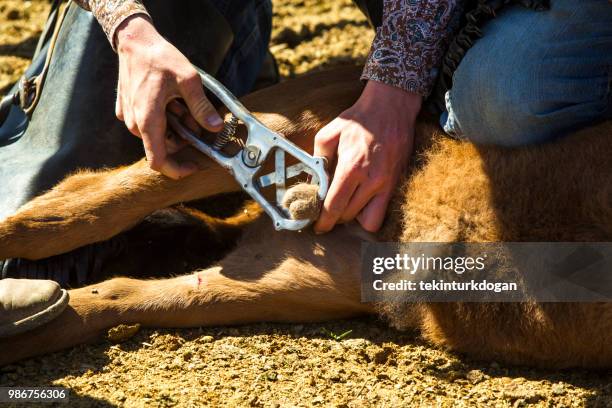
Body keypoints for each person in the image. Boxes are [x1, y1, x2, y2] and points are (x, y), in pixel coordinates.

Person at [1, 0, 611, 335]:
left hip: (423, 262)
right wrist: (128, 29)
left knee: (488, 274)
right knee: (54, 214)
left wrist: (392, 93)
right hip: (403, 168)